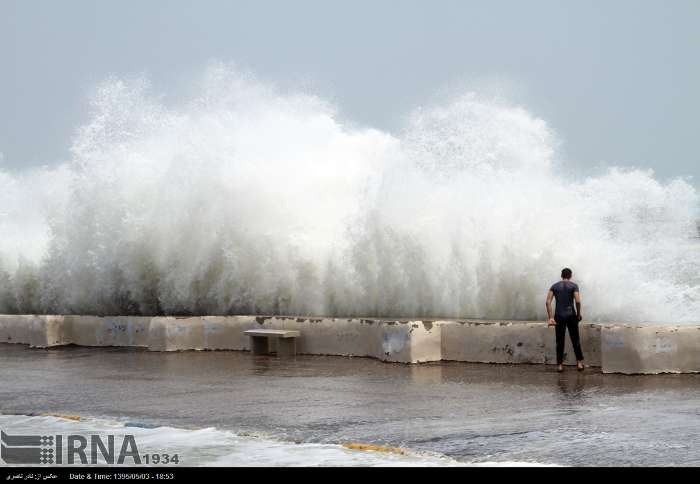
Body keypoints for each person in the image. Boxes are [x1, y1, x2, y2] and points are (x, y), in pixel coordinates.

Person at [545, 268, 584, 373]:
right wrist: (578, 314)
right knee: (575, 339)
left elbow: (548, 302)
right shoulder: (574, 286)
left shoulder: (554, 286)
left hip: (559, 316)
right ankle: (579, 363)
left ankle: (560, 365)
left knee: (559, 341)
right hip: (571, 315)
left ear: (561, 275)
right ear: (570, 276)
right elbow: (578, 301)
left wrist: (551, 318)